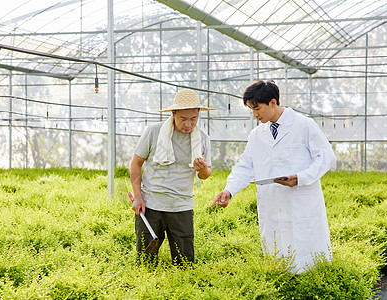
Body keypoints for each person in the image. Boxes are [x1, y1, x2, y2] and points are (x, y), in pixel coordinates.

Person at [212, 80, 336, 273]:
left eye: (257, 108)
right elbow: (245, 166)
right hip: (272, 207)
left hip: (300, 203)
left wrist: (301, 178)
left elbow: (326, 157)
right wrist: (229, 190)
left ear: (272, 102)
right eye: (251, 109)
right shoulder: (256, 134)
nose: (254, 114)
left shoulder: (304, 125)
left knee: (308, 263)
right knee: (278, 264)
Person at [130, 89, 214, 267]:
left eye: (193, 118)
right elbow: (136, 163)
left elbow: (206, 175)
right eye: (183, 119)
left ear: (199, 115)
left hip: (182, 207)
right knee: (145, 263)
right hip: (151, 206)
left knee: (184, 264)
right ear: (173, 113)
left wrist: (203, 169)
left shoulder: (203, 139)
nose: (188, 124)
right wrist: (137, 196)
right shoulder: (154, 132)